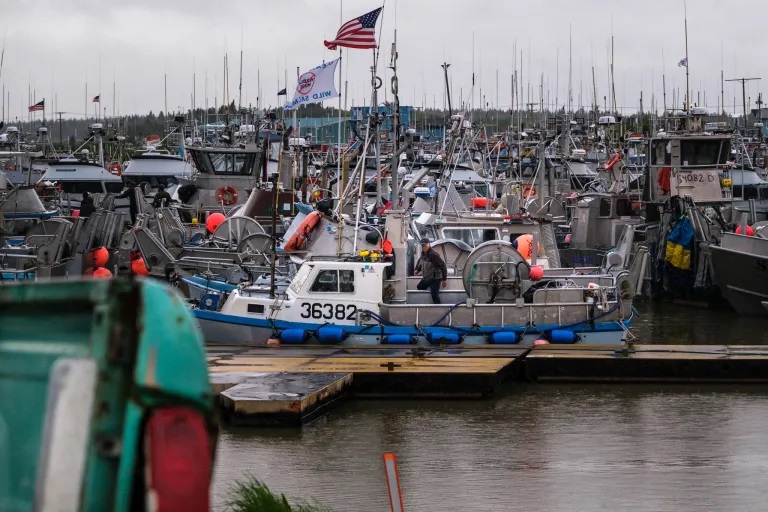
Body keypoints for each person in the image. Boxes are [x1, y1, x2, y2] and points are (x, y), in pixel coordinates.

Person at [414, 238, 447, 304]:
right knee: (419, 287)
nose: (423, 247)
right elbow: (420, 262)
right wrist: (417, 269)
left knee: (434, 296)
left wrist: (444, 279)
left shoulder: (434, 255)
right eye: (422, 245)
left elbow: (443, 266)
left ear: (429, 244)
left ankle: (439, 308)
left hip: (435, 280)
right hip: (426, 278)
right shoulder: (423, 253)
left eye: (425, 245)